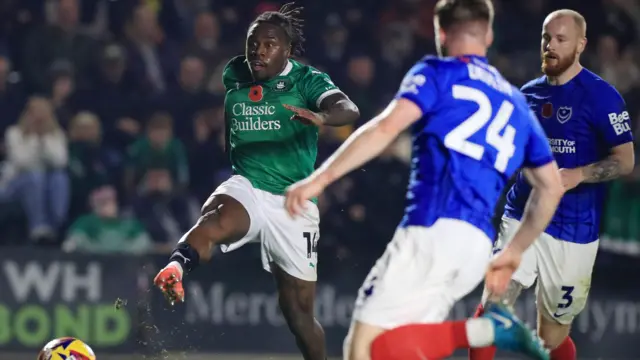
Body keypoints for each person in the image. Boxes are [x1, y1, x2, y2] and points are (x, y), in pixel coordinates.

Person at [284, 0, 565, 359]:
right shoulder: (515, 102)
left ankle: (486, 329)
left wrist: (319, 179)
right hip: (476, 245)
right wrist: (513, 252)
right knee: (402, 349)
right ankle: (481, 329)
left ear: (441, 34)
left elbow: (386, 128)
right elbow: (551, 186)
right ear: (489, 34)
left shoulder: (437, 72)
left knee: (362, 351)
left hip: (432, 231)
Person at [152, 3, 360, 360]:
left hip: (294, 201)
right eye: (253, 43)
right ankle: (175, 267)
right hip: (248, 184)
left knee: (299, 315)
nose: (259, 51)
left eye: (270, 44)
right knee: (217, 218)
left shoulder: (307, 81)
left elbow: (349, 110)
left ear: (287, 50)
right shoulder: (234, 74)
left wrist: (321, 116)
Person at [468, 9, 635, 360]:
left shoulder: (602, 97)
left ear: (581, 45)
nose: (551, 46)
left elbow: (625, 161)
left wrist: (578, 175)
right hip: (522, 215)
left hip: (574, 229)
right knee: (490, 310)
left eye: (561, 39)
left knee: (552, 338)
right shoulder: (527, 94)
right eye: (547, 38)